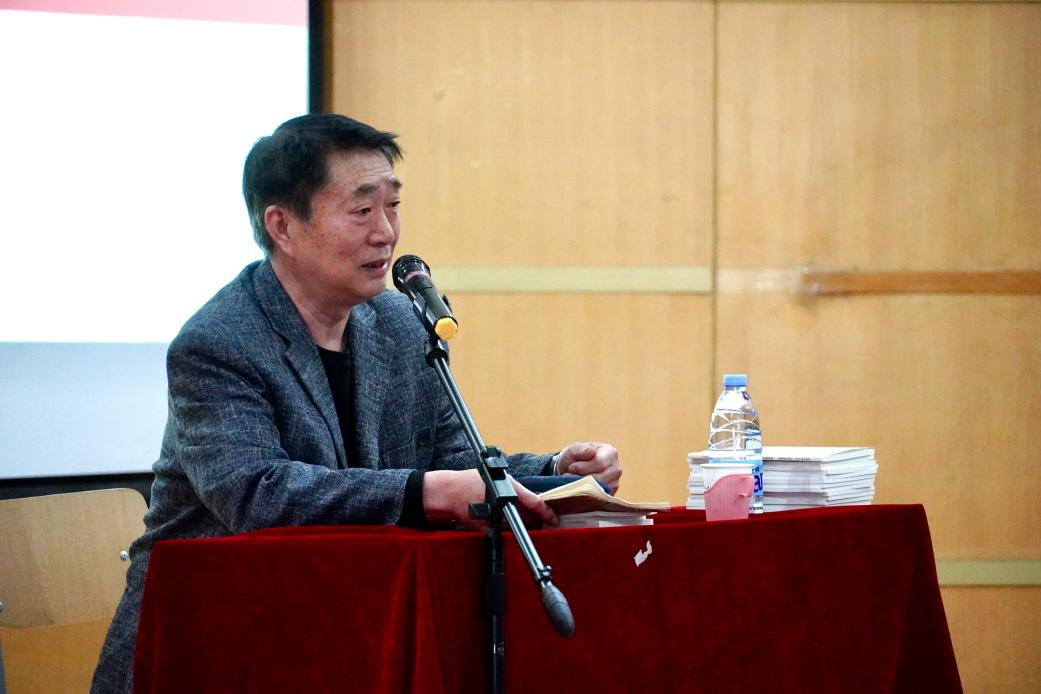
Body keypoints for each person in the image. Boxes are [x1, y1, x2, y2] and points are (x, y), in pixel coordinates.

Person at [90, 113, 622, 693]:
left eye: (392, 206)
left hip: (341, 625)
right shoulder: (219, 343)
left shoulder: (399, 324)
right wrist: (425, 492)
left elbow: (449, 458)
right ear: (282, 226)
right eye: (362, 210)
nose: (386, 233)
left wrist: (554, 470)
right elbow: (258, 494)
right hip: (212, 642)